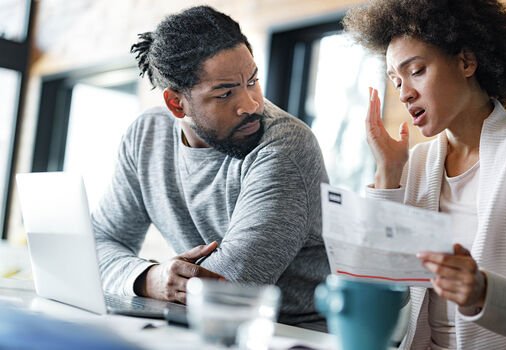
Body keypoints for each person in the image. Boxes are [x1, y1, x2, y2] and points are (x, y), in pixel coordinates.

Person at [343, 0, 506, 348]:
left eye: (417, 70)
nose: (405, 93)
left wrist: (482, 292)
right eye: (396, 81)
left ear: (466, 62)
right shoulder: (418, 163)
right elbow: (376, 288)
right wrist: (388, 174)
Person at [90, 5, 330, 329]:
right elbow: (98, 244)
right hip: (196, 325)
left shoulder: (285, 147)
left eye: (253, 81)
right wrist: (151, 277)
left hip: (293, 332)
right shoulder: (147, 137)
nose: (251, 104)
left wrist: (169, 282)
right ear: (177, 104)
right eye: (225, 93)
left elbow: (225, 286)